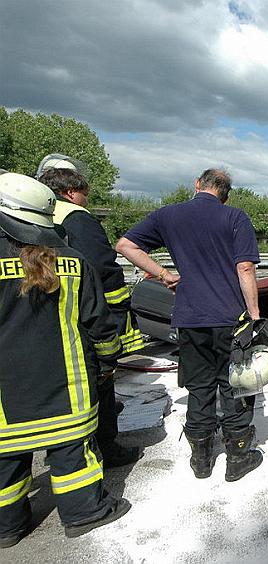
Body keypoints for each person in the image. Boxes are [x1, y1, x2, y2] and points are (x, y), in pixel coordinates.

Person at [0, 173, 131, 546]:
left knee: (6, 459)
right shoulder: (74, 263)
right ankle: (85, 513)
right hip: (67, 384)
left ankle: (7, 528)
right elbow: (100, 325)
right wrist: (107, 365)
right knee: (74, 453)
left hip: (5, 394)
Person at [116, 168, 263, 482]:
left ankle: (201, 460)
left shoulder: (168, 215)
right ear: (225, 193)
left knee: (199, 386)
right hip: (229, 318)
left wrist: (164, 274)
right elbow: (246, 267)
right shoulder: (235, 217)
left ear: (197, 185)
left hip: (191, 315)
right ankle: (237, 459)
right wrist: (254, 313)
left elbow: (125, 245)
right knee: (234, 385)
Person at [38, 166, 142, 468]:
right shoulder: (77, 219)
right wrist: (116, 317)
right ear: (72, 192)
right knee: (100, 378)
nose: (86, 200)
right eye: (85, 194)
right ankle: (106, 448)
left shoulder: (35, 219)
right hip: (84, 316)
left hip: (47, 316)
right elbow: (101, 269)